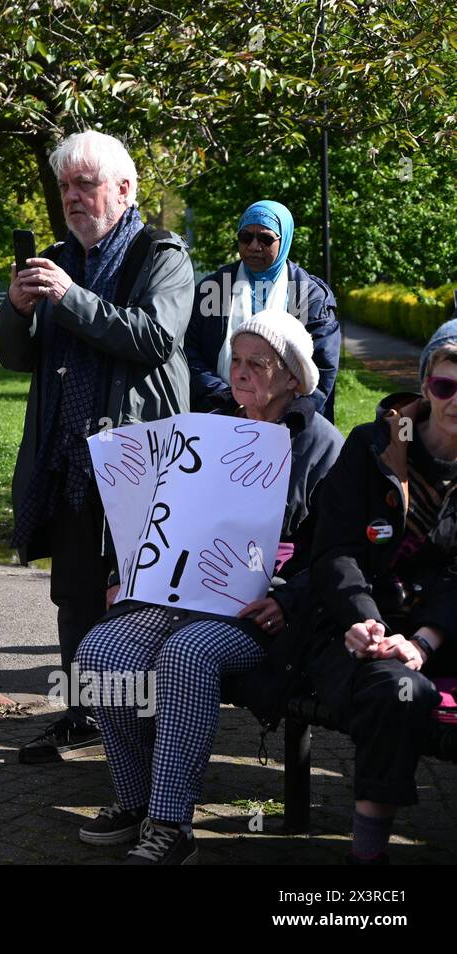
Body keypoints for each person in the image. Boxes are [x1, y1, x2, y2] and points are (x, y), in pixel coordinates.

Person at [74, 312, 343, 864]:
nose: (240, 374)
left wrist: (287, 599)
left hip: (262, 609)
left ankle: (172, 823)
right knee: (100, 653)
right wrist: (128, 573)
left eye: (257, 365)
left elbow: (338, 555)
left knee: (186, 655)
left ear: (293, 377)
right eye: (235, 362)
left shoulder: (320, 444)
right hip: (185, 595)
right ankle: (137, 798)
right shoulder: (208, 425)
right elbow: (159, 513)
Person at [0, 130, 195, 763]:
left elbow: (154, 337)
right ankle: (83, 714)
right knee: (75, 592)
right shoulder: (55, 259)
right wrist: (19, 308)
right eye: (65, 187)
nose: (73, 198)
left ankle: (150, 724)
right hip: (69, 457)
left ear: (125, 189)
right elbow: (15, 355)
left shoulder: (160, 254)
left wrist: (69, 298)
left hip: (142, 457)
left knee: (139, 595)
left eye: (86, 184)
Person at [254, 318, 457, 864]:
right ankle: (369, 856)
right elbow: (335, 549)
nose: (456, 400)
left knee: (406, 682)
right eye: (445, 386)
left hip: (445, 632)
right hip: (359, 627)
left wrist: (425, 642)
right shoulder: (375, 447)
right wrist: (365, 621)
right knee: (397, 693)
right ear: (426, 385)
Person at [186, 200, 341, 421]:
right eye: (245, 237)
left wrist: (285, 413)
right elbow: (189, 353)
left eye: (266, 239)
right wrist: (228, 400)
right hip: (218, 413)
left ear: (284, 239)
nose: (253, 246)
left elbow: (322, 367)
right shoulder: (215, 288)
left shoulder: (308, 295)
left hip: (288, 423)